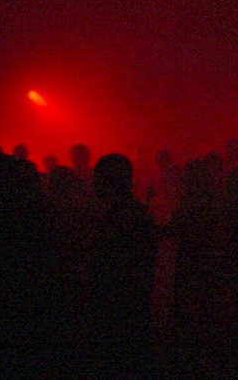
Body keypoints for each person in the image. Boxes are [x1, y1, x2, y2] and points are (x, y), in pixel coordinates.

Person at [90, 153, 157, 378]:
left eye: (98, 178)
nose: (94, 183)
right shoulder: (133, 213)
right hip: (132, 310)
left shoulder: (119, 217)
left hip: (119, 311)